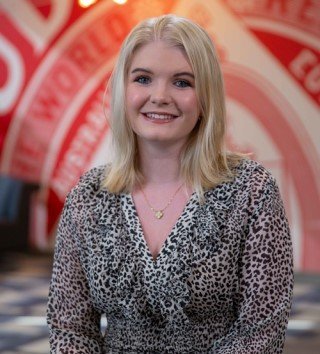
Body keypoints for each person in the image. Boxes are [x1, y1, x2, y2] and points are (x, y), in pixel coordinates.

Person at [47, 14, 293, 353]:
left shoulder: (252, 191)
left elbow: (260, 332)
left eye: (182, 83)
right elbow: (69, 328)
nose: (159, 96)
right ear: (124, 89)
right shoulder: (88, 197)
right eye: (143, 78)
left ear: (205, 97)